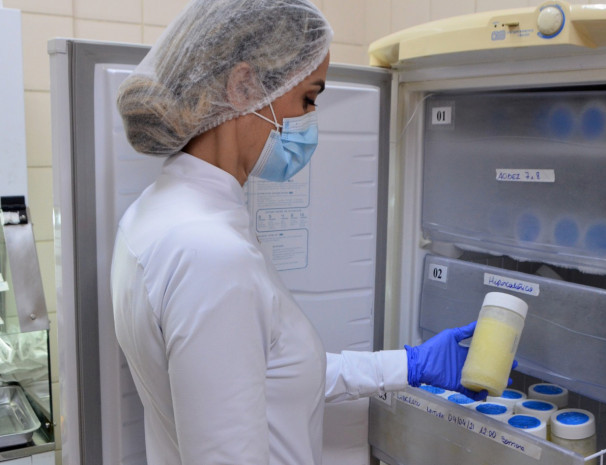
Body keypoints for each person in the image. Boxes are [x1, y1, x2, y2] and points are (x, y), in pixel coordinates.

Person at [110, 1, 482, 464]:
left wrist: (409, 365)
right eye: (308, 98)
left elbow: (265, 377)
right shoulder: (210, 253)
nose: (309, 120)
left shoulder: (155, 214)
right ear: (243, 86)